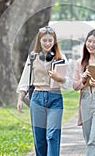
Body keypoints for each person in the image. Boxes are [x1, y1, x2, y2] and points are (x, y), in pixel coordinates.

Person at [17, 26, 68, 156]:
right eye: (44, 40)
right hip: (37, 98)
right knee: (39, 138)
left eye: (50, 40)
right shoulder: (33, 57)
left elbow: (68, 83)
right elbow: (25, 79)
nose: (47, 43)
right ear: (39, 41)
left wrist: (59, 78)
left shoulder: (60, 58)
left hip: (55, 98)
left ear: (54, 41)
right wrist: (20, 98)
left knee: (52, 136)